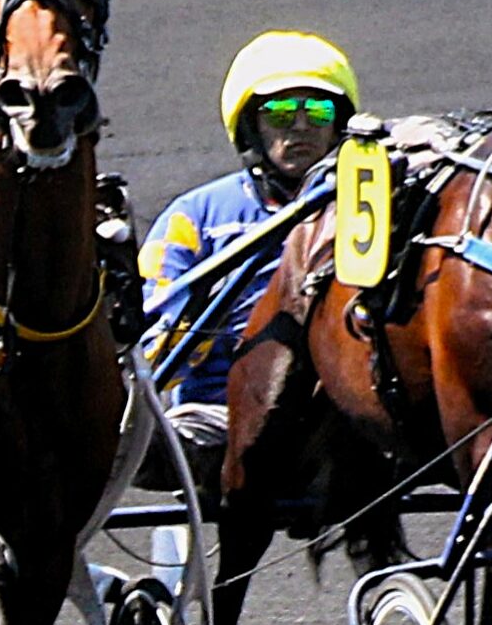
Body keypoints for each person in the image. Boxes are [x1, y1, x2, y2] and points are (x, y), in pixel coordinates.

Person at [142, 31, 357, 460]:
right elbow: (150, 359)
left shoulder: (369, 209)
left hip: (347, 412)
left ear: (339, 124)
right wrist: (199, 316)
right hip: (217, 414)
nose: (299, 126)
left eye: (317, 110)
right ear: (251, 127)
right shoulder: (195, 218)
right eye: (279, 112)